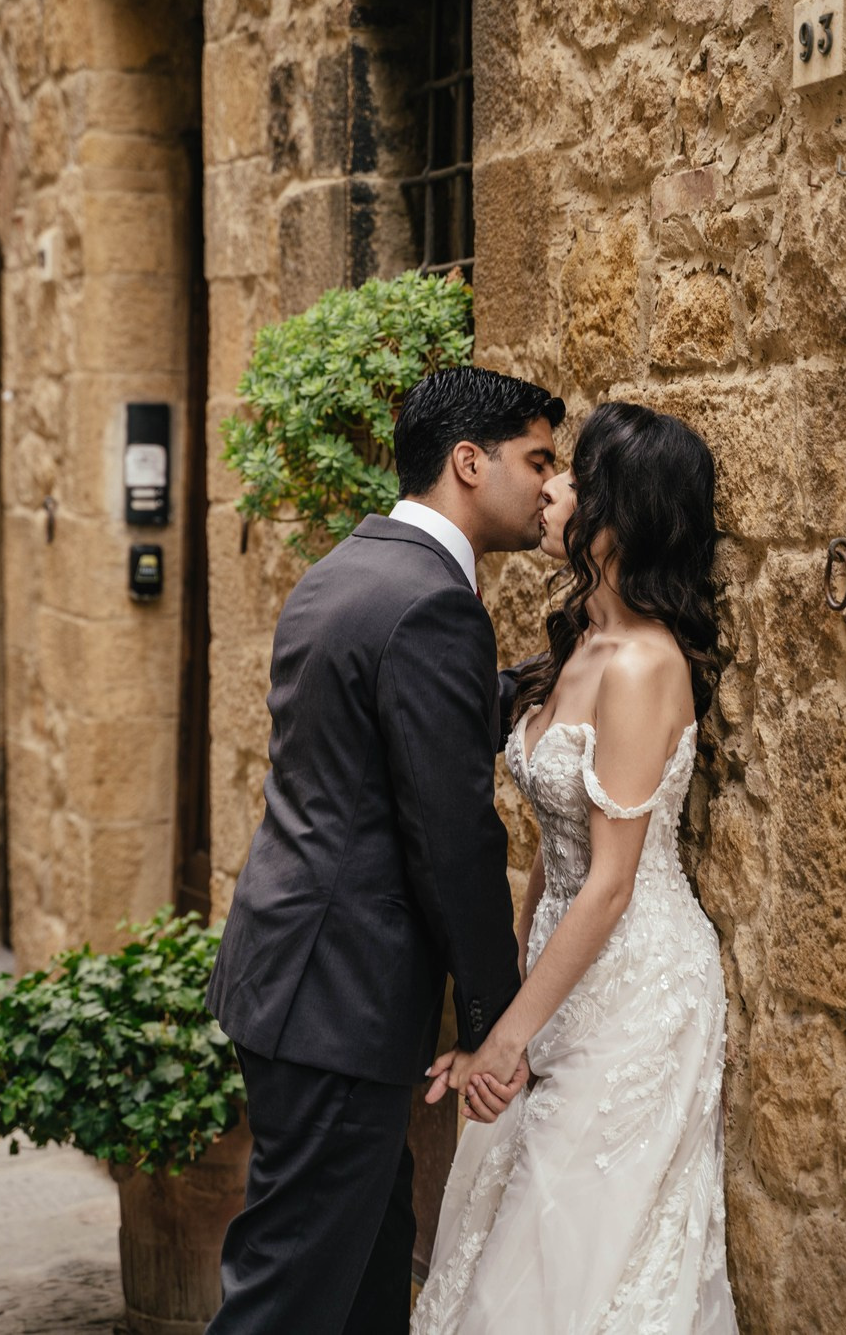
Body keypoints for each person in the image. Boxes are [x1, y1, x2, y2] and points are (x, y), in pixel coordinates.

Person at [204, 365, 566, 1335]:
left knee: (365, 1278)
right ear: (466, 462)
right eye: (535, 460)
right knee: (284, 1298)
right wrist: (493, 1021)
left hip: (290, 978)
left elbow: (380, 739)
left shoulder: (346, 571)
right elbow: (451, 836)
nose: (547, 484)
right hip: (339, 1001)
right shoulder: (433, 605)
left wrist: (519, 688)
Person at [412, 401, 738, 1334]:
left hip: (634, 985)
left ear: (619, 517)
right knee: (511, 1227)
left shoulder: (642, 666)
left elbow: (609, 881)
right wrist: (504, 999)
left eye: (574, 478)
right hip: (559, 972)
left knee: (578, 1249)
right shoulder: (582, 646)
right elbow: (548, 864)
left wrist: (506, 1040)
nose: (550, 489)